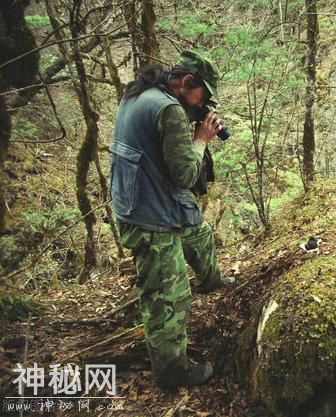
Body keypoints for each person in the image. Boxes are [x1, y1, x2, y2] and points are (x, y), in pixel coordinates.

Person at [109, 50, 234, 389]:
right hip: (151, 216)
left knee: (199, 233)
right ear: (185, 83)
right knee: (168, 297)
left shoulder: (141, 94)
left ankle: (211, 280)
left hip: (143, 198)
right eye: (202, 95)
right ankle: (172, 372)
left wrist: (192, 120)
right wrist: (200, 140)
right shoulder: (169, 109)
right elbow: (184, 174)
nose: (204, 102)